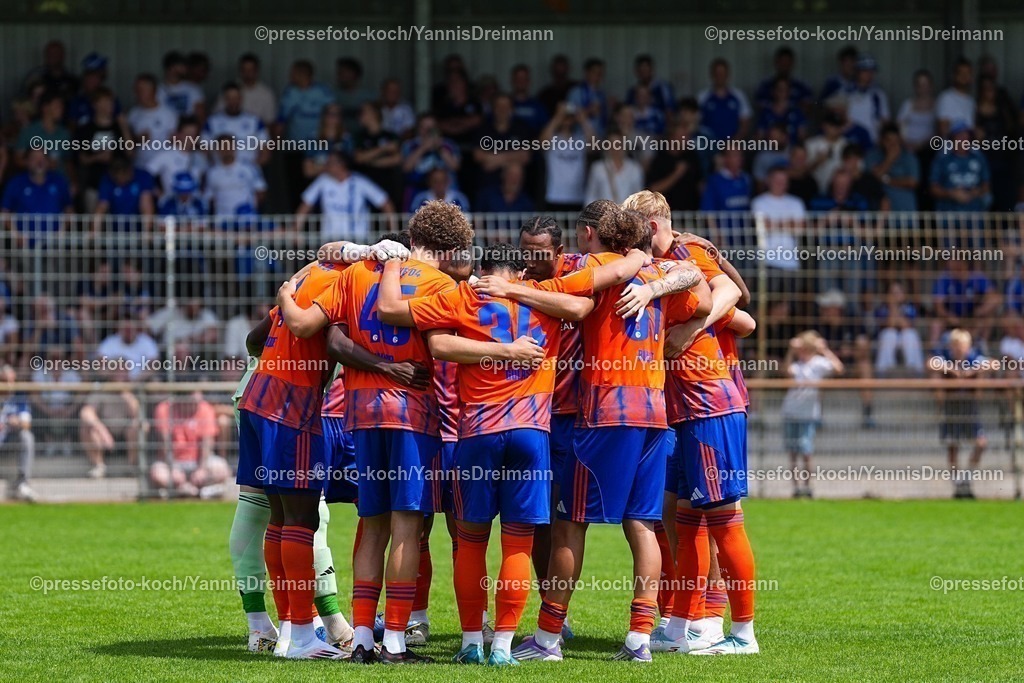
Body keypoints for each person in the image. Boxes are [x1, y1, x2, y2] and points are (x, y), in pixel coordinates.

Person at [479, 209, 709, 662]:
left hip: (606, 410)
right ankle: (640, 638)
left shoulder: (592, 269)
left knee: (568, 523)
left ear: (587, 234)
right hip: (654, 408)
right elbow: (700, 294)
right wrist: (656, 282)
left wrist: (510, 286)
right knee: (642, 523)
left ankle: (547, 638)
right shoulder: (658, 270)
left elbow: (577, 304)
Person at [280, 203, 477, 663]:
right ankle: (395, 642)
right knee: (408, 524)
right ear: (449, 249)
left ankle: (364, 637)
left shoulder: (356, 274)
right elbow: (442, 346)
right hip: (413, 415)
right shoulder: (440, 284)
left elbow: (332, 341)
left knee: (371, 524)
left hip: (361, 413)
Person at [376, 242, 560, 666]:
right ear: (522, 275)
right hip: (531, 432)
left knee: (471, 541)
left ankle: (471, 642)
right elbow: (582, 308)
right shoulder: (549, 302)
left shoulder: (465, 297)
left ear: (483, 273)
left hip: (476, 432)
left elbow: (429, 338)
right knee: (518, 542)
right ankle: (503, 647)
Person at [782, 331, 843, 498]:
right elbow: (786, 372)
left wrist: (825, 350)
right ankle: (796, 489)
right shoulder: (797, 365)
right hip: (791, 412)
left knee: (806, 452)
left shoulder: (819, 363)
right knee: (793, 452)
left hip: (808, 415)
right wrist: (790, 351)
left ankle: (808, 487)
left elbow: (838, 368)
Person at [929, 329, 989, 498]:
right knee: (953, 446)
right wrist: (952, 370)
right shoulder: (946, 356)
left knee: (981, 443)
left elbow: (992, 363)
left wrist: (971, 372)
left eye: (963, 346)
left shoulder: (973, 357)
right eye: (957, 346)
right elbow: (931, 363)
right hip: (952, 406)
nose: (960, 349)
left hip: (970, 407)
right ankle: (958, 485)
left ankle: (966, 479)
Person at [295, 149, 394, 242]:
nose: (326, 165)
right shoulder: (323, 180)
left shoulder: (359, 181)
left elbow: (385, 202)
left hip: (358, 240)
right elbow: (305, 205)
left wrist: (392, 231)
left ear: (341, 164)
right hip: (330, 241)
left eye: (330, 162)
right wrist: (296, 231)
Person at [150, 393, 229, 497]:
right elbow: (165, 444)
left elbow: (207, 443)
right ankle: (190, 490)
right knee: (158, 475)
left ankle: (191, 491)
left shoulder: (205, 408)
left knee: (222, 470)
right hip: (173, 463)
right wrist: (173, 469)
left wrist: (201, 469)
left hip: (198, 462)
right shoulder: (164, 408)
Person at [539, 102, 593, 213]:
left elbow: (595, 146)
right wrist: (558, 117)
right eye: (565, 117)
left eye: (570, 117)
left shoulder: (580, 139)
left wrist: (582, 119)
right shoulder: (553, 138)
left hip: (577, 196)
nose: (567, 119)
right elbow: (542, 142)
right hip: (554, 196)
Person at [204, 82, 269, 167]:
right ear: (224, 99)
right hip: (220, 172)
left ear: (241, 99)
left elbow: (265, 151)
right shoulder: (212, 122)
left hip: (247, 173)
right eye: (229, 98)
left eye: (236, 98)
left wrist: (252, 169)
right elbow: (204, 151)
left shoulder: (255, 121)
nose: (233, 102)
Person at [127, 73, 178, 170]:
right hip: (139, 166)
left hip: (162, 167)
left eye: (141, 90)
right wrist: (137, 140)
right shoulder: (133, 114)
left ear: (153, 91)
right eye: (136, 90)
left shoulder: (169, 114)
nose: (137, 93)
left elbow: (175, 142)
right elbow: (126, 142)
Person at [205, 137, 267, 216]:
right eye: (223, 146)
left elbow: (260, 191)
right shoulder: (212, 172)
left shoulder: (249, 167)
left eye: (229, 146)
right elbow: (210, 198)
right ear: (217, 149)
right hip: (223, 220)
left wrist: (250, 209)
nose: (226, 150)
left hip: (247, 219)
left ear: (235, 147)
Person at [1, 365, 36, 502]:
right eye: (4, 381)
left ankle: (23, 483)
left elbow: (27, 423)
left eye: (11, 381)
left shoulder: (19, 398)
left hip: (10, 441)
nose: (8, 385)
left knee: (27, 436)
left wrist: (16, 421)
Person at [874, 281, 925, 375]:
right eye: (893, 293)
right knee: (890, 334)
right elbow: (890, 324)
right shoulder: (882, 308)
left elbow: (906, 325)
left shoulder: (910, 307)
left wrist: (897, 313)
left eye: (898, 292)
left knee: (910, 334)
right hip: (889, 338)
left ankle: (915, 370)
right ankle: (885, 370)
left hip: (904, 337)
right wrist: (893, 306)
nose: (895, 296)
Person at [866, 124, 920, 212]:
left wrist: (886, 180)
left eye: (896, 141)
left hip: (905, 213)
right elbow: (873, 179)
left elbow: (912, 182)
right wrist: (889, 159)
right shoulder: (872, 155)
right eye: (889, 141)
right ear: (882, 141)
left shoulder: (908, 157)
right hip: (881, 215)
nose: (892, 145)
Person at [583, 130, 645, 205]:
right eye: (611, 144)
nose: (615, 148)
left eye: (618, 144)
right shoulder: (598, 168)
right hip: (603, 215)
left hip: (627, 215)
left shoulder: (635, 169)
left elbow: (639, 198)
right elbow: (591, 196)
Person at [213, 53, 277, 126]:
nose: (247, 73)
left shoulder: (266, 94)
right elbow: (216, 115)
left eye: (250, 70)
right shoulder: (230, 90)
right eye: (244, 70)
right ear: (240, 71)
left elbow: (270, 122)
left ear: (257, 71)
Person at [698, 58, 752, 141]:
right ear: (711, 75)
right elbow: (695, 123)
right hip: (708, 145)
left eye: (722, 73)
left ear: (728, 75)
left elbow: (745, 124)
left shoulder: (739, 95)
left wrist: (734, 142)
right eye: (717, 73)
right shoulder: (702, 96)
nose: (720, 76)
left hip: (732, 145)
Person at [845, 56, 889, 145]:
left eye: (872, 71)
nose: (869, 74)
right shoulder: (846, 92)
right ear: (857, 72)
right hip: (849, 140)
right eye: (865, 70)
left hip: (872, 141)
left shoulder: (878, 95)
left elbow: (885, 120)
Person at [157, 51, 206, 120]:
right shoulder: (157, 90)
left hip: (188, 129)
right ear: (172, 67)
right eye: (182, 65)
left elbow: (201, 115)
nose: (185, 69)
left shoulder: (193, 88)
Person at [566, 58, 609, 137]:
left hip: (599, 138)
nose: (598, 76)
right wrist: (588, 111)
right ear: (586, 73)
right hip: (580, 138)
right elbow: (568, 118)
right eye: (595, 72)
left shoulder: (602, 94)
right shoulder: (574, 93)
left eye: (600, 73)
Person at [935, 58, 975, 137]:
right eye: (961, 73)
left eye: (967, 73)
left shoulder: (972, 102)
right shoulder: (945, 98)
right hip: (950, 145)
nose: (964, 76)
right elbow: (943, 130)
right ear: (954, 75)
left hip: (968, 145)